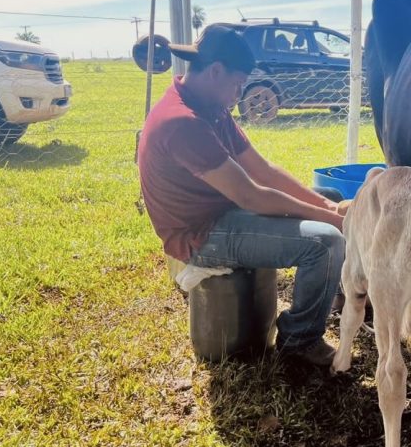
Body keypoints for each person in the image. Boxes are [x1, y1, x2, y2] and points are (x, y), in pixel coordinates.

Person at [137, 24, 346, 366]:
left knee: (330, 193)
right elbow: (253, 196)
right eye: (237, 84)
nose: (239, 93)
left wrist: (324, 203)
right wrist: (332, 217)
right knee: (326, 242)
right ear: (216, 71)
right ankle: (299, 341)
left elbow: (263, 170)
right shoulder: (183, 122)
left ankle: (335, 290)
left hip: (222, 208)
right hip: (201, 235)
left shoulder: (209, 106)